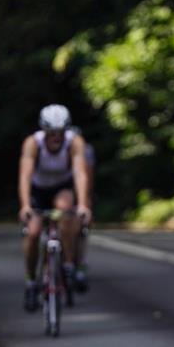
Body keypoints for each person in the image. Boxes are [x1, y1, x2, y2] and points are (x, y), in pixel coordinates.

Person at [17, 105, 92, 311]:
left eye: (60, 133)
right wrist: (25, 205)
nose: (56, 137)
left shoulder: (74, 142)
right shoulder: (33, 143)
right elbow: (25, 175)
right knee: (32, 233)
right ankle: (31, 281)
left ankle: (68, 266)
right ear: (44, 131)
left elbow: (80, 173)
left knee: (66, 210)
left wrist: (83, 203)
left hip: (62, 188)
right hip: (38, 190)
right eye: (52, 133)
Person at [68, 125, 96, 293]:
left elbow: (88, 174)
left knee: (81, 226)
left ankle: (80, 263)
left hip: (78, 191)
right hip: (58, 192)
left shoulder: (87, 150)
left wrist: (85, 200)